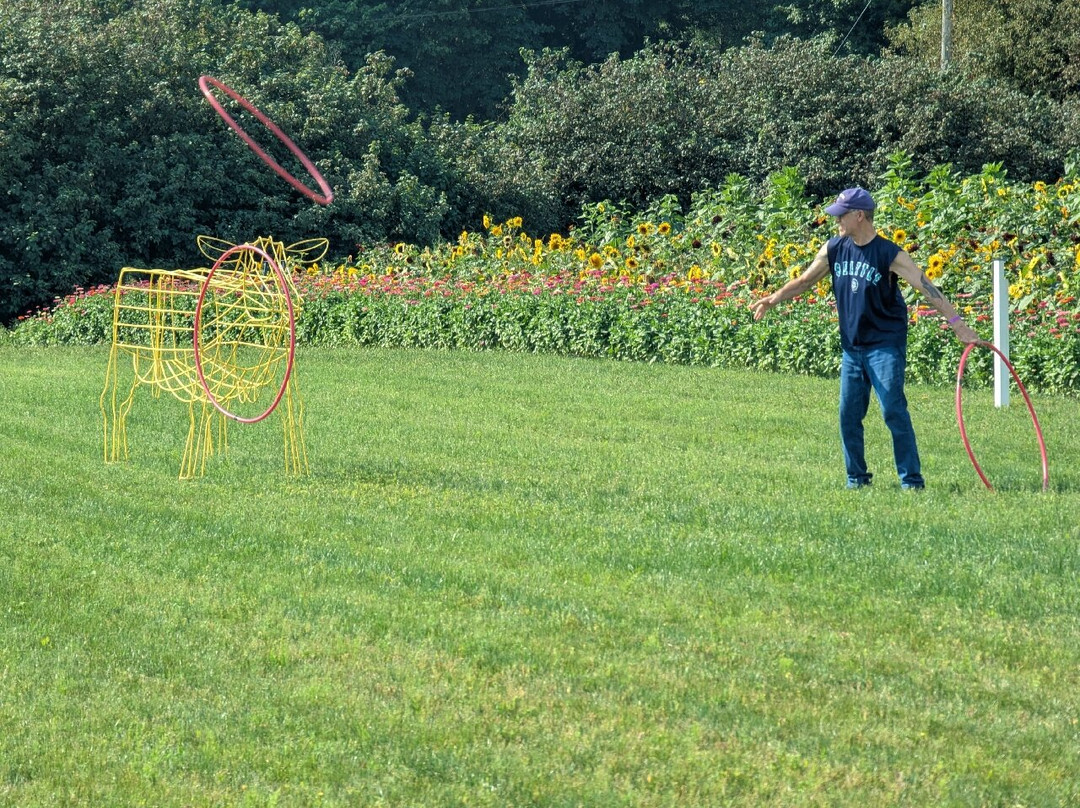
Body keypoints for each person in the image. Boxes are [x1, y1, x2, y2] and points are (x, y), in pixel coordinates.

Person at [750, 186, 981, 489]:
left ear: (859, 215)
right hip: (852, 348)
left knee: (893, 411)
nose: (836, 222)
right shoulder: (834, 248)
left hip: (884, 345)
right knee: (848, 417)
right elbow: (805, 281)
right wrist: (772, 299)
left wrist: (957, 324)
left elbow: (926, 287)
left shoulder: (889, 253)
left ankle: (912, 482)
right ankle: (856, 480)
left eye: (841, 216)